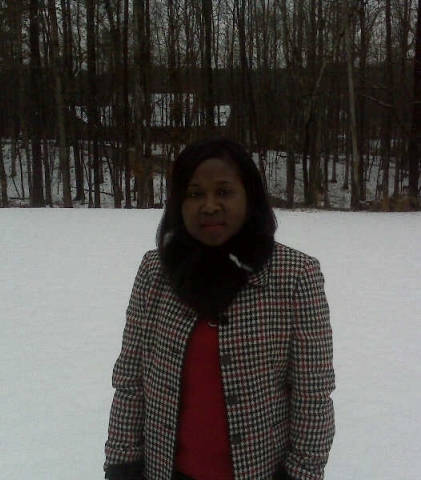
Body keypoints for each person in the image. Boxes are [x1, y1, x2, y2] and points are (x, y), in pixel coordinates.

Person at [104, 137, 335, 480]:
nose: (209, 206)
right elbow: (131, 380)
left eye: (224, 192)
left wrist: (301, 473)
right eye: (195, 194)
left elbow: (312, 395)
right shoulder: (155, 271)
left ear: (249, 198)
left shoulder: (295, 275)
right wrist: (122, 464)